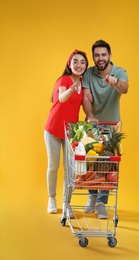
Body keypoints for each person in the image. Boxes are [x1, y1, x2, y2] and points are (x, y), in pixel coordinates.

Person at [82, 40, 128, 219]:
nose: (100, 58)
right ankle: (92, 197)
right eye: (96, 55)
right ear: (93, 57)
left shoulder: (119, 72)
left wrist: (116, 83)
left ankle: (102, 202)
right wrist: (90, 115)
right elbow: (86, 96)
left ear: (109, 55)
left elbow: (125, 89)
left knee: (108, 165)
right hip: (93, 125)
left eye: (103, 55)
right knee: (92, 161)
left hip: (111, 126)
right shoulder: (89, 73)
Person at [44, 49, 88, 216]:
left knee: (70, 169)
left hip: (70, 131)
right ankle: (52, 199)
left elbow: (84, 103)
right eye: (75, 61)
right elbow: (62, 98)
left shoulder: (84, 84)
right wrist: (72, 89)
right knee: (53, 166)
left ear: (86, 66)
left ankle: (66, 203)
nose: (78, 65)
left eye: (82, 62)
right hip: (53, 129)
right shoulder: (63, 80)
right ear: (69, 64)